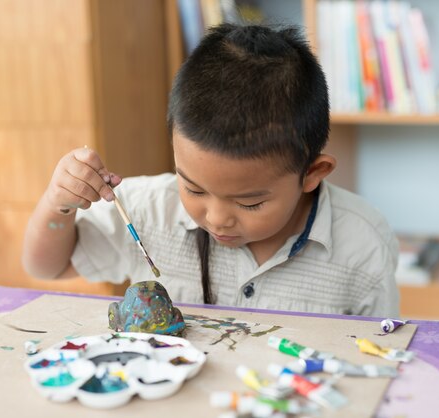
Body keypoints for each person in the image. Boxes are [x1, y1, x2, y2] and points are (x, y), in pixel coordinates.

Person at [22, 24, 399, 317]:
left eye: (249, 203)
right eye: (194, 189)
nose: (216, 219)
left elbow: (381, 348)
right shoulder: (146, 210)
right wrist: (60, 205)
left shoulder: (362, 243)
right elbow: (47, 268)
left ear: (313, 173)